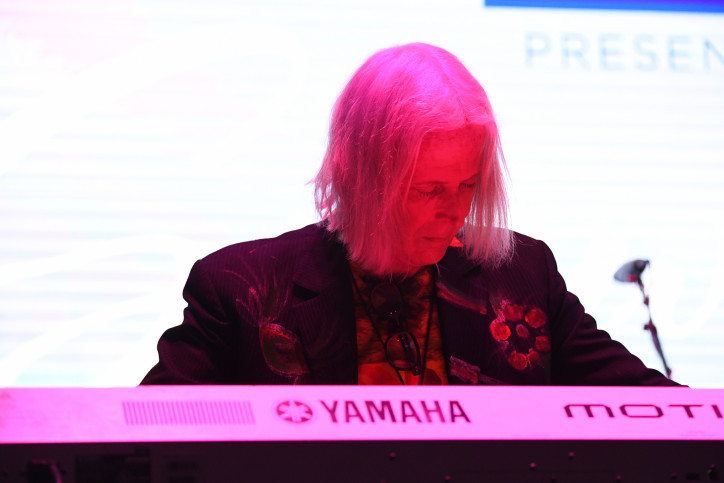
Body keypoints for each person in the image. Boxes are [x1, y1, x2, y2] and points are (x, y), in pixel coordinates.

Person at [142, 43, 679, 386]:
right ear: (359, 176)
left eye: (468, 185)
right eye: (428, 190)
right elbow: (143, 437)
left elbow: (656, 407)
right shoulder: (240, 290)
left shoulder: (523, 273)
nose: (455, 212)